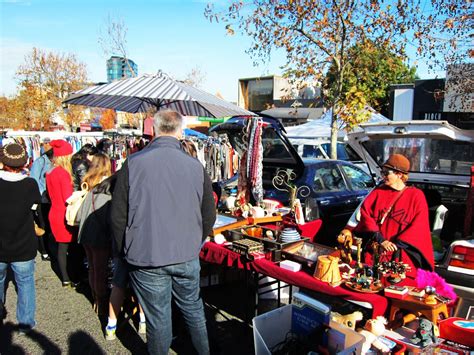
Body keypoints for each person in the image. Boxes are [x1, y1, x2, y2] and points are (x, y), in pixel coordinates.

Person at [111, 110, 216, 355]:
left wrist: (121, 251)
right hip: (184, 254)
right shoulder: (195, 166)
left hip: (146, 254)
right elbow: (208, 214)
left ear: (154, 130)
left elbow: (117, 216)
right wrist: (193, 241)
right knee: (193, 309)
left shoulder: (134, 162)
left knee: (158, 318)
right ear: (180, 132)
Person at [348, 153, 434, 286]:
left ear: (399, 174)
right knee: (370, 285)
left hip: (400, 255)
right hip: (376, 250)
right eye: (382, 172)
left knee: (396, 289)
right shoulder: (378, 192)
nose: (383, 176)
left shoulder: (416, 196)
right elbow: (365, 213)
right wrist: (380, 239)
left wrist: (396, 245)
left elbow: (419, 226)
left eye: (386, 173)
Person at [0, 143, 42, 333]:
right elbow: (36, 210)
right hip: (24, 243)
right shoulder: (30, 184)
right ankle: (25, 322)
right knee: (25, 283)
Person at [76, 153, 113, 317]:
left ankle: (96, 299)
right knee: (101, 270)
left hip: (85, 229)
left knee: (92, 268)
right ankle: (102, 304)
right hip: (99, 232)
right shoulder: (107, 185)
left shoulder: (88, 181)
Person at [45, 139, 76, 287]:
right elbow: (68, 197)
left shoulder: (50, 172)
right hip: (64, 213)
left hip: (54, 211)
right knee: (69, 248)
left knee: (61, 247)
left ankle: (65, 277)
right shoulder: (63, 174)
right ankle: (70, 276)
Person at [30, 138, 54, 261]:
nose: (46, 146)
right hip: (43, 200)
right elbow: (34, 180)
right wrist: (39, 198)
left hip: (53, 199)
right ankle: (45, 251)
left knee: (50, 226)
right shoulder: (40, 162)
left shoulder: (54, 162)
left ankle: (51, 248)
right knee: (43, 225)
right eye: (45, 144)